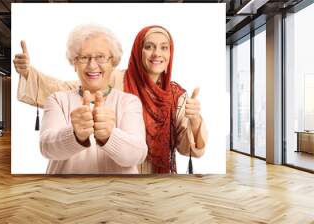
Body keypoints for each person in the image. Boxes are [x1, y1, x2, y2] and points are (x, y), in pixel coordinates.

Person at [14, 25, 208, 174]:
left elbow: (186, 147)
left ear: (170, 55)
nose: (157, 53)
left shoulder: (177, 96)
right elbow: (73, 90)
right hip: (119, 173)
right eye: (149, 47)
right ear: (138, 52)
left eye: (164, 48)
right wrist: (30, 73)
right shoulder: (116, 78)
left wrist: (196, 120)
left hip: (155, 176)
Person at [37, 24, 147, 174]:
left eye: (100, 57)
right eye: (83, 57)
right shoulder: (57, 100)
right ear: (74, 63)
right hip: (67, 194)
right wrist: (75, 135)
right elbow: (46, 147)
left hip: (118, 194)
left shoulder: (129, 102)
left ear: (113, 62)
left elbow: (137, 154)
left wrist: (109, 136)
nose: (92, 65)